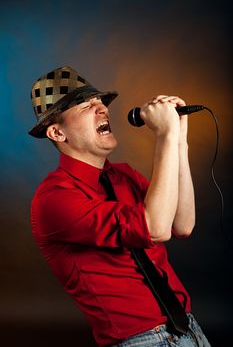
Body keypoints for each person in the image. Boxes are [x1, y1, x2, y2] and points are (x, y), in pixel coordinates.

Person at [29, 65, 211, 347]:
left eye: (100, 101)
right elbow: (155, 229)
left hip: (188, 328)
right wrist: (163, 136)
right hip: (142, 341)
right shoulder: (53, 198)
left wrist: (178, 140)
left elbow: (182, 223)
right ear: (57, 133)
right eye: (85, 106)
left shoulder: (123, 175)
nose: (102, 108)